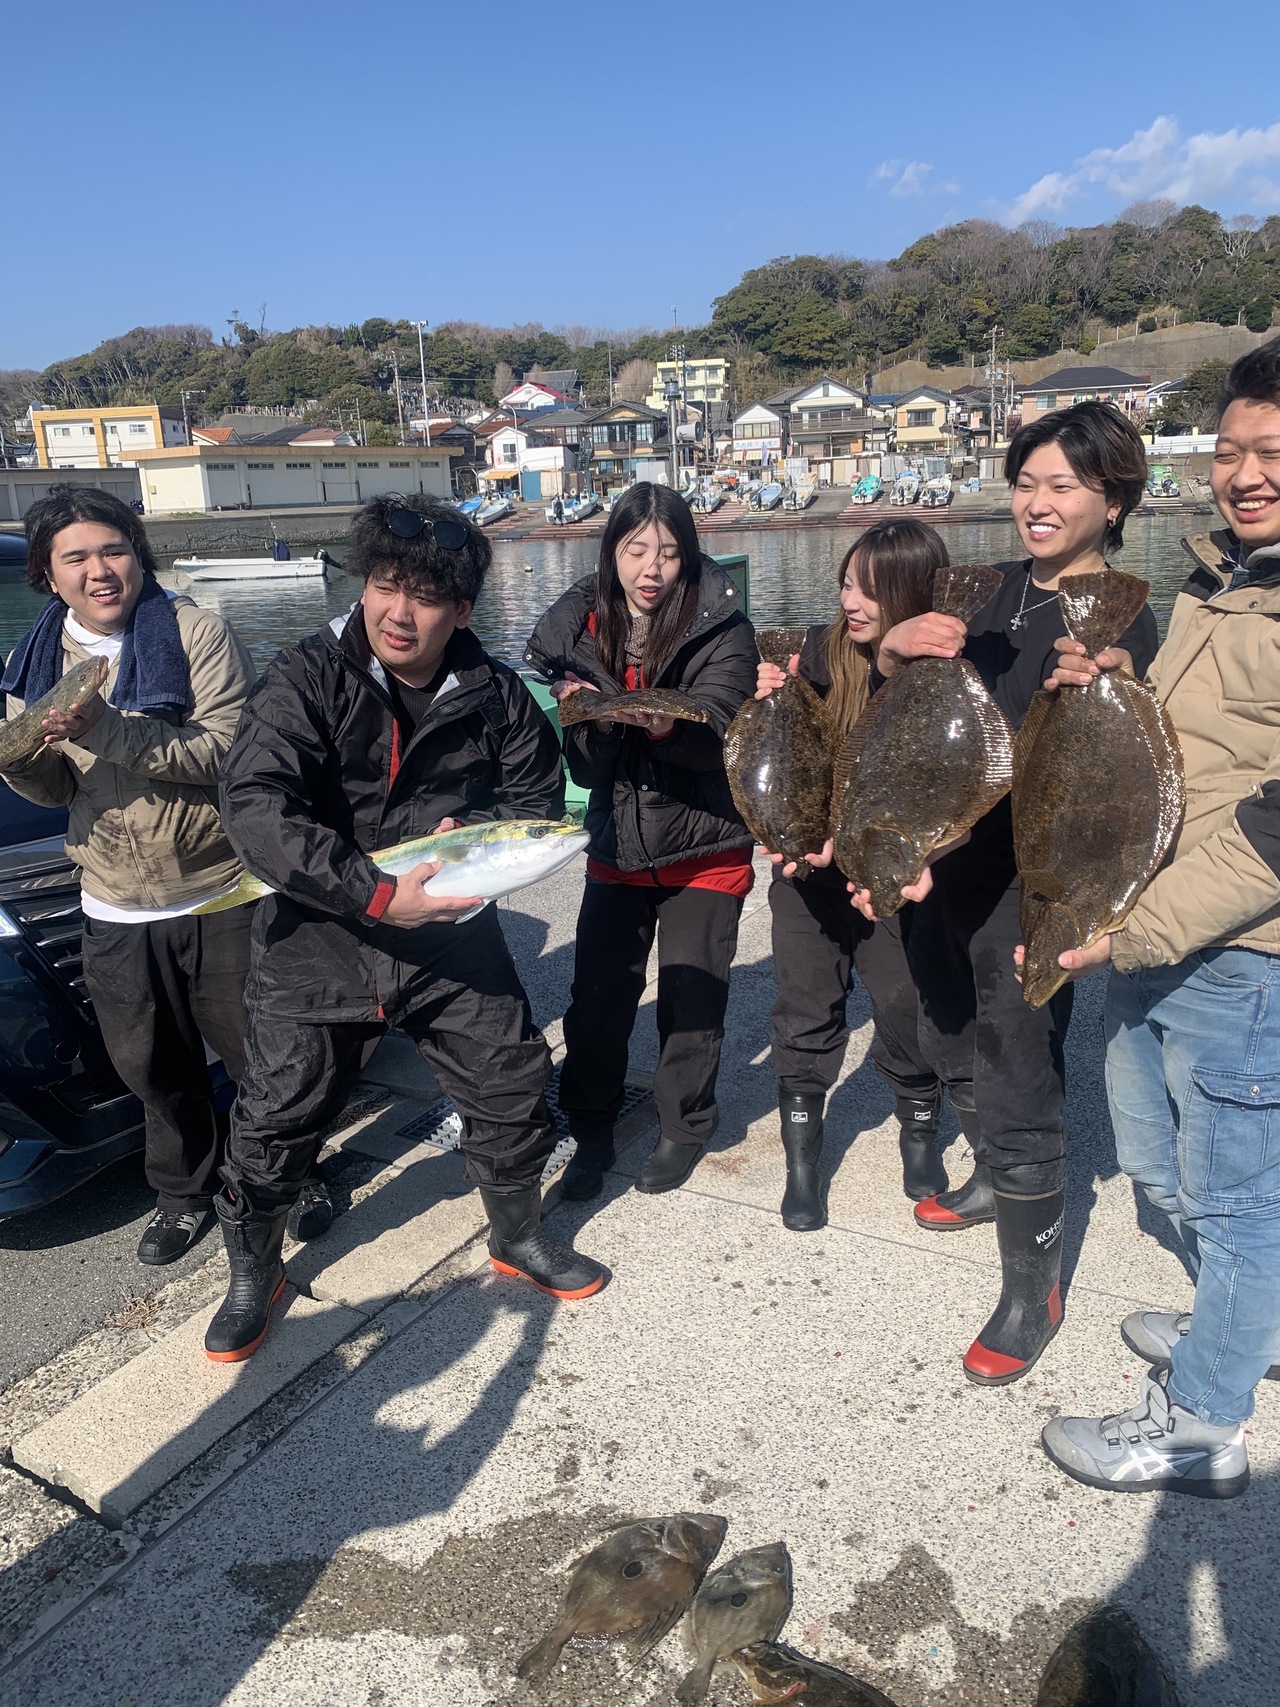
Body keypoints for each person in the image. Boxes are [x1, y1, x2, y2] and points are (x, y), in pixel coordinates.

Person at [207, 493, 605, 1363]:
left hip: (450, 938)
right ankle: (254, 1271)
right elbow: (256, 805)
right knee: (274, 1117)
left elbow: (534, 803)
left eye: (424, 597)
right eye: (385, 585)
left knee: (511, 1084)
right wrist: (376, 893)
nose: (399, 611)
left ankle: (516, 1234)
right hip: (321, 935)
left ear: (460, 610)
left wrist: (474, 853)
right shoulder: (305, 676)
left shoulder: (498, 695)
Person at [858, 402, 1158, 1384]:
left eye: (1062, 485)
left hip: (1035, 876)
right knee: (945, 1027)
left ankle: (1032, 1289)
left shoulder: (1121, 612)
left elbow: (1128, 770)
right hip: (946, 861)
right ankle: (991, 1173)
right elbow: (913, 716)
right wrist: (892, 653)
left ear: (1113, 500)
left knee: (1019, 1058)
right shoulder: (982, 588)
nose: (1037, 502)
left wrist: (1110, 681)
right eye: (1026, 482)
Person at [1040, 339, 1280, 1497]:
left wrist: (1132, 931)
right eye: (1228, 450)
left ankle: (1199, 1422)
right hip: (1150, 923)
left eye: (1268, 451)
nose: (1243, 473)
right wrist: (1117, 692)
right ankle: (1245, 1322)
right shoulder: (1219, 576)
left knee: (1234, 1200)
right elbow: (1205, 742)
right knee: (1151, 1157)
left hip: (1235, 951)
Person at [0, 486, 257, 1266]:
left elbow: (228, 750)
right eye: (75, 557)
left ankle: (288, 1173)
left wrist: (106, 727)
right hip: (113, 898)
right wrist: (20, 758)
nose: (100, 570)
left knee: (259, 1050)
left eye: (113, 549)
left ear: (137, 553)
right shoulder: (34, 661)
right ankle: (182, 1193)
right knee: (150, 1064)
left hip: (221, 884)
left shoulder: (196, 632)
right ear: (47, 574)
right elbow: (54, 789)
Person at [524, 483, 757, 1201]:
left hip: (705, 846)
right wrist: (588, 722)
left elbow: (723, 731)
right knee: (597, 1002)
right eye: (635, 550)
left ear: (689, 556)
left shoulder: (725, 629)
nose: (651, 568)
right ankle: (590, 1128)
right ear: (611, 552)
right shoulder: (579, 634)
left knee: (692, 1003)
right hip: (619, 846)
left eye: (668, 551)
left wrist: (665, 727)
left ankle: (685, 1126)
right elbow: (588, 770)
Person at [754, 519, 948, 1230]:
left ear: (913, 593)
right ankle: (803, 1163)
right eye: (844, 585)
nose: (851, 602)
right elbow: (777, 755)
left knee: (904, 1005)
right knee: (804, 1008)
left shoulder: (939, 671)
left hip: (889, 876)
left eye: (871, 589)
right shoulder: (812, 651)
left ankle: (918, 1128)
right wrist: (766, 693)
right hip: (808, 875)